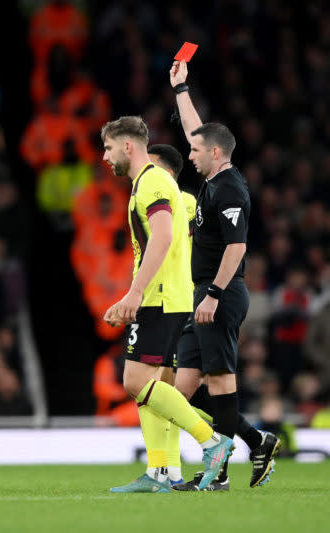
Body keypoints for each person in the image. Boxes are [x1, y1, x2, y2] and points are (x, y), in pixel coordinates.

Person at [100, 117, 234, 493]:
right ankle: (163, 472)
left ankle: (212, 441)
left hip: (160, 297)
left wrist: (136, 293)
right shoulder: (151, 184)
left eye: (109, 147)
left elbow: (161, 238)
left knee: (135, 382)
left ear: (128, 146)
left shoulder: (153, 182)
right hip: (167, 295)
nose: (105, 156)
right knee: (156, 387)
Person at [169, 60, 280, 490]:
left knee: (219, 384)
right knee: (184, 389)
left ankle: (218, 475)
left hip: (221, 292)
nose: (188, 154)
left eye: (196, 151)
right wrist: (181, 89)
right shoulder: (214, 179)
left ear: (215, 153)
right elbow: (197, 132)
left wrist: (213, 293)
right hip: (204, 293)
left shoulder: (230, 187)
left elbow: (237, 247)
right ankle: (256, 440)